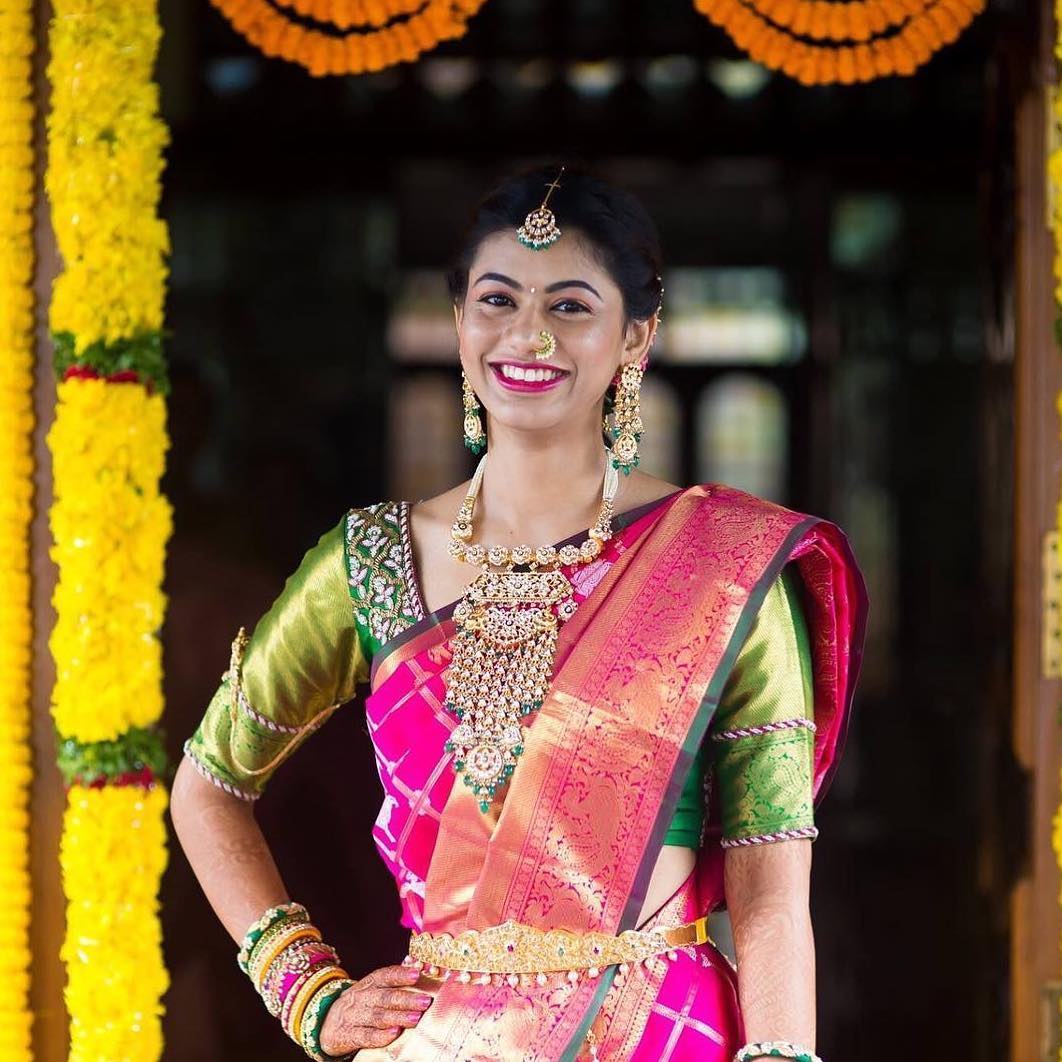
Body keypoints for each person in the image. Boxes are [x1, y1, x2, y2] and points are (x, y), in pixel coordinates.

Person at [170, 163, 868, 1062]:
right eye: (497, 299)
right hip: (436, 1042)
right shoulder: (371, 565)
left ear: (635, 335)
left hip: (659, 1035)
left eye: (571, 306)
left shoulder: (726, 572)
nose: (527, 335)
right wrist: (306, 992)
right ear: (460, 322)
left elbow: (772, 888)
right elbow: (208, 786)